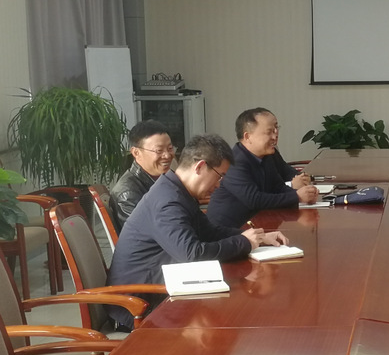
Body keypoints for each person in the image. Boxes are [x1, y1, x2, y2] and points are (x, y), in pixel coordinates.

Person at [106, 134, 289, 330]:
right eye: (219, 176)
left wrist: (257, 238)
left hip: (164, 291)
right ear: (200, 166)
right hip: (138, 308)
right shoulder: (168, 201)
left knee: (233, 315)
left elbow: (209, 232)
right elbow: (192, 255)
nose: (219, 184)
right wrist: (244, 243)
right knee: (231, 320)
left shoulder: (176, 190)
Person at [206, 108, 318, 228]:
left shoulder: (266, 156)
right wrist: (297, 196)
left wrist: (306, 195)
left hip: (257, 223)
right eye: (269, 132)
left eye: (276, 129)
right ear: (247, 136)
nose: (275, 136)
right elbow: (254, 200)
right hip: (228, 229)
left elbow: (278, 187)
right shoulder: (235, 162)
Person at [110, 120, 175, 230]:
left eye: (170, 149)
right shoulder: (128, 194)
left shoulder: (166, 178)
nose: (167, 155)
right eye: (159, 150)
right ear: (136, 153)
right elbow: (145, 233)